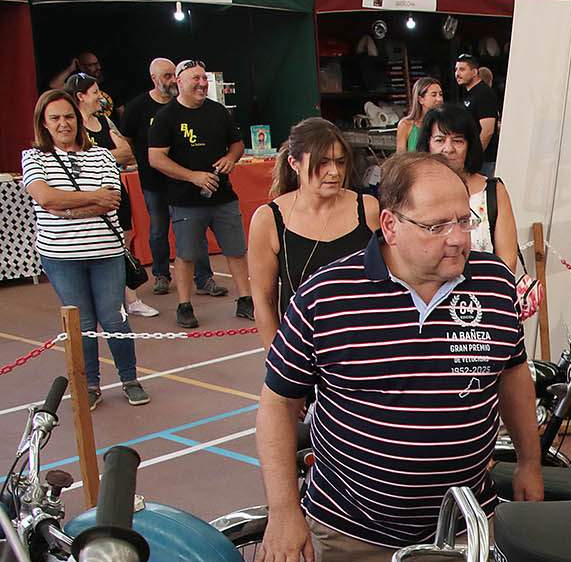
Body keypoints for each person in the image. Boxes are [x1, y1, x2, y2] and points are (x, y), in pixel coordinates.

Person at [254, 152, 543, 562]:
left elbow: (513, 379)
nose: (458, 240)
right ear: (390, 225)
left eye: (464, 221)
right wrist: (283, 511)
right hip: (349, 539)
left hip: (463, 536)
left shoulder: (494, 284)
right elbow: (278, 403)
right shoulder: (325, 295)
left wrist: (529, 462)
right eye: (437, 226)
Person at [22, 90, 149, 409]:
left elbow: (111, 200)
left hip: (106, 252)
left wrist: (65, 208)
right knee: (81, 322)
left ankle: (129, 378)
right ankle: (89, 384)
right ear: (44, 124)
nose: (63, 123)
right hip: (61, 258)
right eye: (55, 118)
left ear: (78, 120)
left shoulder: (102, 155)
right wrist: (89, 200)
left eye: (68, 116)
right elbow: (45, 198)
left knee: (114, 318)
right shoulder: (33, 157)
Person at [247, 118, 379, 349]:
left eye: (340, 162)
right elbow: (264, 301)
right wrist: (279, 361)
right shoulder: (268, 219)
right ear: (294, 163)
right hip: (305, 350)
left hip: (366, 346)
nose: (334, 172)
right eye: (322, 162)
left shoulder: (369, 209)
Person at [148, 59, 253, 329]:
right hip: (185, 201)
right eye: (196, 79)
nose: (202, 84)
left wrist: (231, 157)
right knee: (186, 254)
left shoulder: (218, 112)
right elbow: (156, 159)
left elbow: (237, 144)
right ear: (179, 82)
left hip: (223, 196)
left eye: (204, 79)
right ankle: (184, 306)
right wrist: (192, 176)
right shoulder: (166, 117)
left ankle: (245, 300)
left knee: (236, 250)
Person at [117, 58, 222, 299]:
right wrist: (140, 160)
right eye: (165, 76)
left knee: (195, 230)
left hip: (186, 181)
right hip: (154, 181)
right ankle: (161, 275)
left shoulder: (187, 105)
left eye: (173, 74)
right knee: (158, 229)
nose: (171, 80)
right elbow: (127, 141)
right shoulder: (137, 107)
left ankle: (204, 278)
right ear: (153, 79)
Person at [64, 72, 156, 319]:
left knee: (121, 243)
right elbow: (73, 160)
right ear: (81, 96)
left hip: (116, 191)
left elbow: (126, 152)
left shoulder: (104, 122)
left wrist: (96, 157)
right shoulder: (71, 125)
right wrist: (104, 158)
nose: (100, 97)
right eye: (94, 92)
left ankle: (130, 298)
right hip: (88, 196)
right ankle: (106, 302)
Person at [418, 103, 521, 273]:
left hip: (486, 293)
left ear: (470, 145)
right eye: (440, 140)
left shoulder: (493, 191)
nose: (448, 148)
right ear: (427, 143)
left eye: (458, 140)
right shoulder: (416, 191)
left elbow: (508, 262)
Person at [454, 54, 499, 176]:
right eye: (456, 69)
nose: (457, 73)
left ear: (474, 72)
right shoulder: (469, 93)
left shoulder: (484, 93)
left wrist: (475, 157)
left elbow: (487, 130)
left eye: (462, 69)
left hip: (484, 162)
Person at [50, 51, 113, 119]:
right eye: (92, 65)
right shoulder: (76, 85)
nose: (98, 67)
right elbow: (54, 86)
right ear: (81, 66)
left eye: (97, 63)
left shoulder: (109, 83)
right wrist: (70, 69)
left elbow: (120, 110)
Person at [396, 77, 443, 153]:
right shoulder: (405, 125)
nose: (439, 99)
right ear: (421, 99)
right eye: (434, 95)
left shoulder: (444, 124)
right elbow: (400, 158)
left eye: (440, 94)